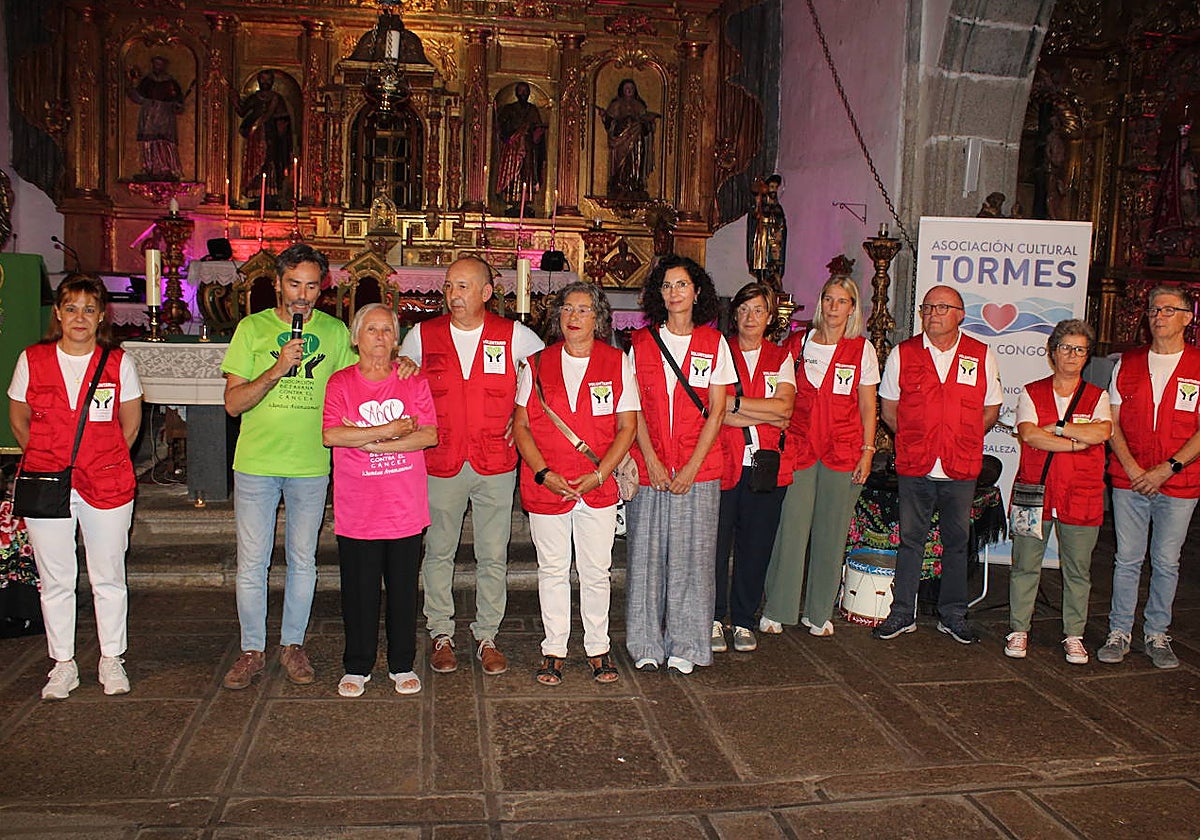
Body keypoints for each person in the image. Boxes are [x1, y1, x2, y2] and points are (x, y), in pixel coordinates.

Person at [399, 256, 544, 676]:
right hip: (441, 460)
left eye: (463, 286)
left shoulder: (513, 335)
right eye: (449, 286)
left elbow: (548, 377)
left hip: (494, 462)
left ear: (486, 292)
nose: (453, 294)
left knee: (492, 553)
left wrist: (522, 423)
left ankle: (487, 636)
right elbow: (401, 385)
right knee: (439, 551)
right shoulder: (423, 335)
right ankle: (441, 632)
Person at [220, 244, 355, 690]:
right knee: (252, 562)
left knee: (303, 559)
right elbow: (234, 404)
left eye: (312, 285)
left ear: (323, 287)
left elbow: (358, 385)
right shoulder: (251, 328)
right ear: (277, 283)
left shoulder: (335, 332)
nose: (302, 294)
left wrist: (402, 367)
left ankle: (293, 644)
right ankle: (252, 648)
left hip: (310, 462)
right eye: (294, 283)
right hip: (257, 461)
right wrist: (276, 369)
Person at [7, 275, 143, 699]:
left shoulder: (118, 363)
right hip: (48, 480)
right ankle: (62, 663)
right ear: (58, 314)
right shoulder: (33, 358)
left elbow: (131, 422)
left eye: (88, 309)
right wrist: (48, 460)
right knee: (56, 577)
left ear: (101, 315)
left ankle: (111, 658)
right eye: (71, 308)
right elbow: (18, 417)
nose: (79, 317)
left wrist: (105, 456)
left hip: (106, 481)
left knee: (108, 575)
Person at [513, 282, 639, 685]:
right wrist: (543, 473)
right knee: (552, 568)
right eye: (568, 309)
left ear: (598, 318)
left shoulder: (618, 363)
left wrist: (601, 473)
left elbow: (627, 426)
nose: (574, 317)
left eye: (584, 310)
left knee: (596, 569)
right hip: (548, 484)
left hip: (596, 483)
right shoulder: (535, 363)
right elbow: (522, 425)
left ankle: (598, 647)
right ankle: (554, 648)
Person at [873, 285, 1002, 644]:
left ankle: (953, 614)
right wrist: (916, 439)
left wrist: (962, 436)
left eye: (942, 307)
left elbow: (991, 407)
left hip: (960, 465)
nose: (933, 313)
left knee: (957, 542)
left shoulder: (980, 354)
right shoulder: (904, 353)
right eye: (928, 307)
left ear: (960, 314)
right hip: (917, 465)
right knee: (911, 540)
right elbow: (889, 409)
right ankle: (902, 613)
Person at [626, 255, 735, 674]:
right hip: (651, 465)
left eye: (682, 285)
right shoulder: (641, 344)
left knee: (694, 560)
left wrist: (692, 466)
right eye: (667, 286)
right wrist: (650, 459)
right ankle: (645, 643)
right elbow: (630, 409)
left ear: (697, 292)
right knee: (646, 558)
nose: (674, 292)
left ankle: (688, 645)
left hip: (699, 469)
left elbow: (717, 410)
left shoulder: (714, 344)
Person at [323, 304, 437, 697]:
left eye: (387, 330)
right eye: (371, 329)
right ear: (356, 337)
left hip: (403, 505)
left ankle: (402, 662)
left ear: (396, 338)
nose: (379, 337)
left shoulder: (413, 381)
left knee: (404, 590)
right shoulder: (340, 383)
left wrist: (368, 442)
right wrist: (388, 432)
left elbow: (428, 436)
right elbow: (332, 435)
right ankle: (357, 664)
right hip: (358, 506)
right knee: (359, 590)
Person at [761, 275, 878, 638]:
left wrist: (868, 452)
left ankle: (818, 611)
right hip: (800, 448)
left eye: (841, 301)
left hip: (843, 452)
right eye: (828, 298)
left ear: (852, 308)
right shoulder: (798, 344)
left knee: (832, 532)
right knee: (791, 531)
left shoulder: (862, 350)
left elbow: (868, 406)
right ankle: (778, 608)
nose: (833, 307)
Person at [1099, 285, 1200, 669]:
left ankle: (1157, 633)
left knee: (1167, 560)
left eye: (1168, 310)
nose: (1158, 316)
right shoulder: (1128, 363)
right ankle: (1119, 631)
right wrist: (1132, 468)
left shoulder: (1197, 365)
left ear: (1187, 318)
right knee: (1127, 559)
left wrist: (1167, 469)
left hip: (1180, 482)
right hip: (1130, 480)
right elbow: (1112, 421)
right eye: (1154, 310)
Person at [1006, 320, 1111, 664]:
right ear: (1052, 353)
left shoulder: (1098, 396)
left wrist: (1060, 428)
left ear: (1087, 356)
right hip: (1034, 491)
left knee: (1078, 568)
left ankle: (1074, 634)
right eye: (1065, 347)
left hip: (1081, 494)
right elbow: (1030, 435)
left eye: (1079, 349)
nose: (1072, 355)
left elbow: (1102, 432)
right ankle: (1019, 628)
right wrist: (1075, 443)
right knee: (1025, 563)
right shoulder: (1031, 391)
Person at [712, 282, 796, 654]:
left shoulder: (780, 358)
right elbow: (710, 410)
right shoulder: (718, 352)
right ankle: (713, 617)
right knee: (714, 547)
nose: (750, 317)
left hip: (765, 468)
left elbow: (785, 410)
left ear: (769, 317)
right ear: (735, 314)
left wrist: (735, 405)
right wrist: (758, 408)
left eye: (758, 310)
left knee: (755, 547)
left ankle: (744, 620)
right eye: (744, 309)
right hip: (722, 463)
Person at [236, 69, 292, 206]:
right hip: (255, 138)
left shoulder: (276, 99)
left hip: (271, 136)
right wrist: (233, 98)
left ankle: (270, 193)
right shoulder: (255, 98)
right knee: (255, 163)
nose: (265, 83)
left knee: (270, 162)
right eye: (263, 80)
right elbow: (242, 111)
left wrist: (281, 130)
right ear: (259, 81)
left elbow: (283, 120)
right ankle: (256, 193)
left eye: (268, 80)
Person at [126, 55, 185, 180]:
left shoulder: (170, 82)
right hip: (150, 114)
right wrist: (131, 83)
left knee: (164, 142)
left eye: (160, 64)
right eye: (155, 64)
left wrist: (177, 105)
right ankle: (149, 167)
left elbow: (178, 100)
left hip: (165, 115)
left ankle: (166, 168)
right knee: (149, 142)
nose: (157, 67)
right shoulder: (147, 81)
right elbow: (138, 96)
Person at [599, 79, 659, 200]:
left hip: (637, 141)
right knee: (621, 164)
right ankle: (619, 184)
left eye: (631, 88)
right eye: (627, 88)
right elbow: (610, 123)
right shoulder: (616, 104)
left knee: (636, 161)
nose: (629, 90)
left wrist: (649, 123)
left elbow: (645, 126)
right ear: (622, 90)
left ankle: (635, 184)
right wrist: (606, 117)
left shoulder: (639, 105)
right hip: (621, 141)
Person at [494, 81, 547, 211]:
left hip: (528, 148)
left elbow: (537, 128)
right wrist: (514, 133)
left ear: (528, 93)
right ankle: (513, 200)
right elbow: (501, 126)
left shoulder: (532, 110)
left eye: (525, 91)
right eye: (521, 91)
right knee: (513, 172)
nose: (523, 93)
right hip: (513, 147)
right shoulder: (509, 109)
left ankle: (526, 200)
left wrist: (536, 132)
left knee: (527, 173)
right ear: (517, 93)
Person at [747, 175, 787, 291]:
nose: (774, 190)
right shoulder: (760, 206)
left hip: (775, 240)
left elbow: (782, 224)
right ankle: (763, 283)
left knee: (775, 265)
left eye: (775, 187)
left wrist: (780, 230)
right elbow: (754, 220)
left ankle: (775, 285)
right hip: (763, 239)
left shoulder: (778, 208)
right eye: (772, 187)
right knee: (763, 263)